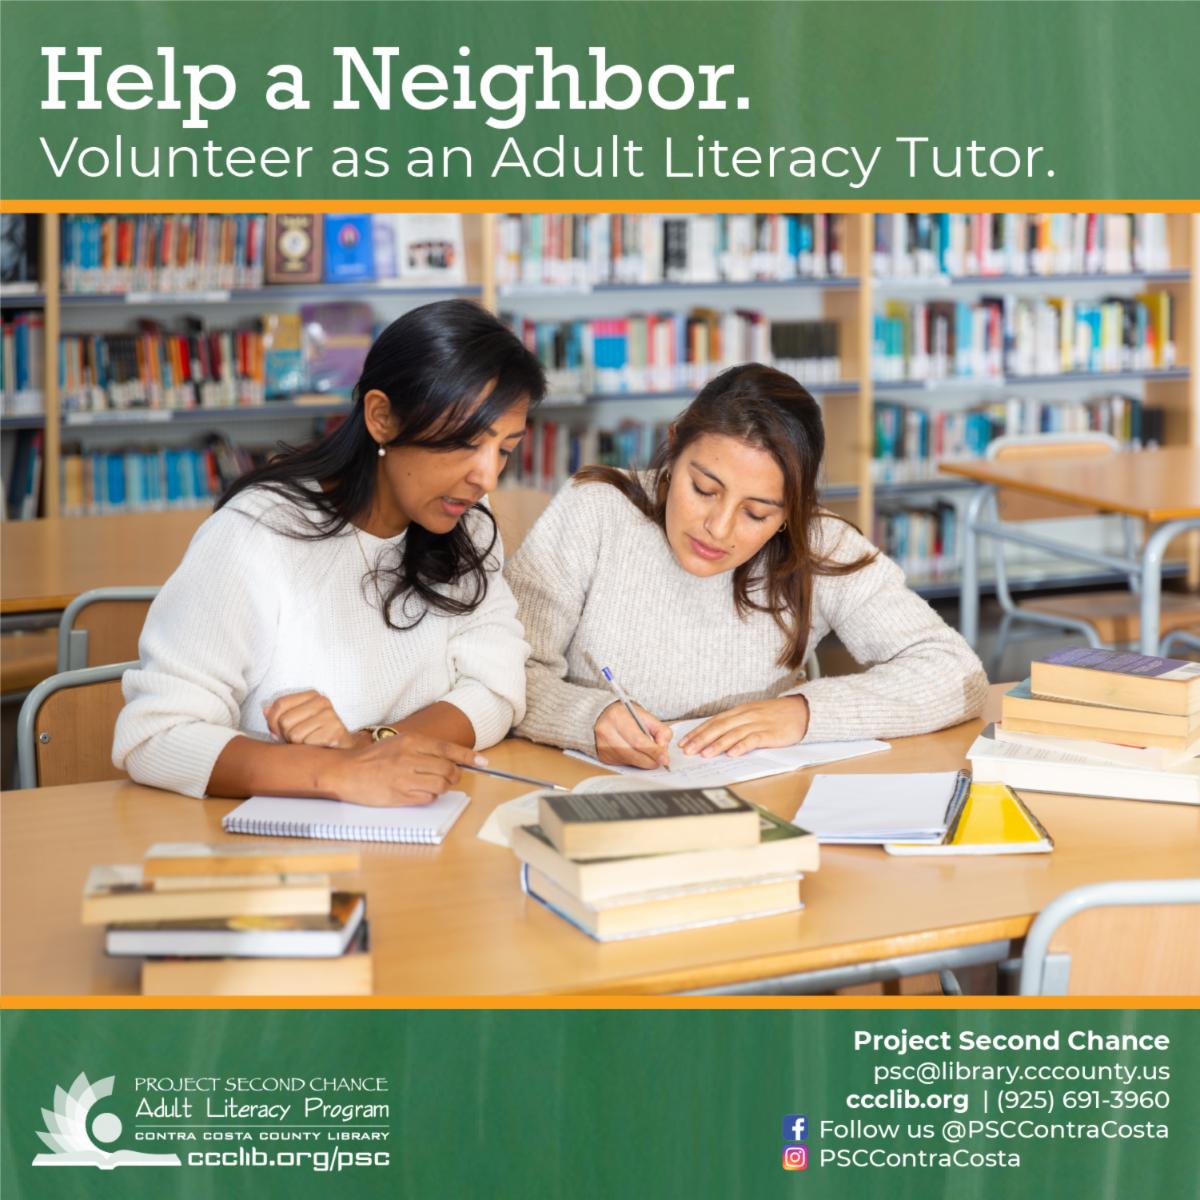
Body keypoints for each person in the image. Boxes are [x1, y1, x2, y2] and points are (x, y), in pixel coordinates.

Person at [113, 299, 545, 804]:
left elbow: (496, 689)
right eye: (465, 442)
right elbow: (154, 736)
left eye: (505, 449)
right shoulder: (258, 533)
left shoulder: (466, 523)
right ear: (382, 417)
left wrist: (370, 746)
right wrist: (334, 771)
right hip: (277, 862)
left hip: (413, 835)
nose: (486, 476)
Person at [505, 363, 987, 768]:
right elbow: (504, 670)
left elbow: (955, 673)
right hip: (584, 789)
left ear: (788, 511)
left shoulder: (820, 544)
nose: (718, 527)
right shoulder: (596, 510)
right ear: (674, 447)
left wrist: (803, 714)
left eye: (757, 513)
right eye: (704, 490)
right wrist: (586, 717)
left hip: (758, 801)